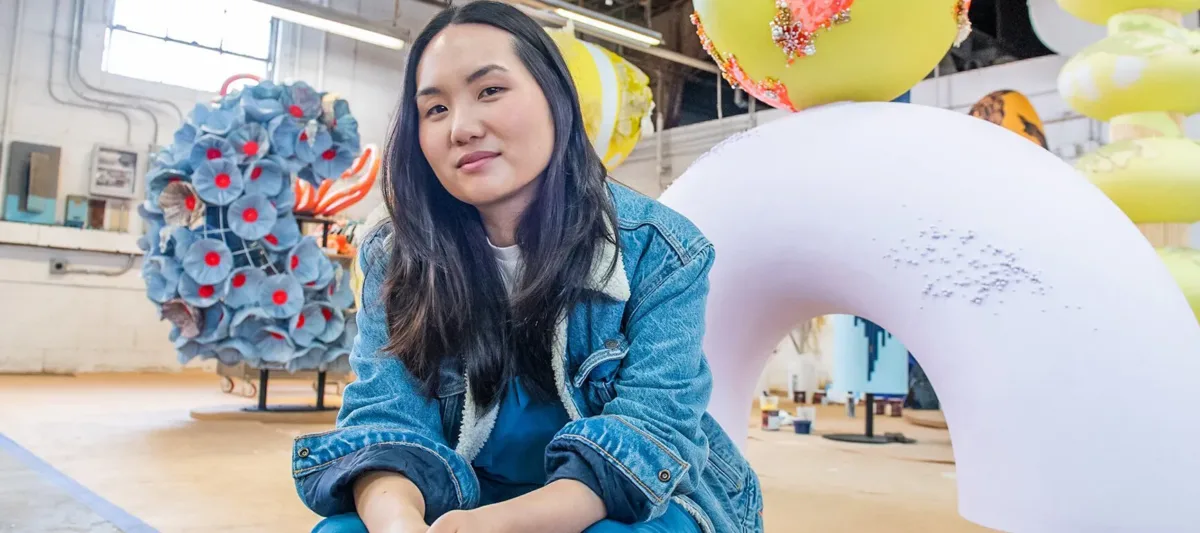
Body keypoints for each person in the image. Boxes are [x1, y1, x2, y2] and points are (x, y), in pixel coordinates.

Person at [291, 2, 763, 532]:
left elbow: (652, 431)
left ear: (555, 98)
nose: (462, 128)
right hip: (467, 491)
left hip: (622, 496)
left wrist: (493, 527)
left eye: (489, 90)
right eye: (435, 110)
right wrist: (399, 521)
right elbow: (387, 417)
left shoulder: (662, 252)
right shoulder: (397, 255)